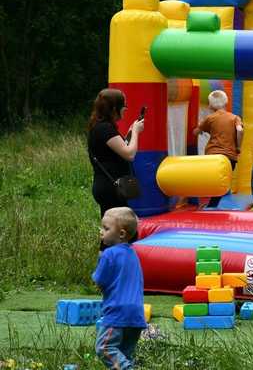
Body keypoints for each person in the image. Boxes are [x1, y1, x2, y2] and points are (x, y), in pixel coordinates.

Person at [88, 88, 144, 250]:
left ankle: (108, 266)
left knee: (113, 232)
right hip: (111, 186)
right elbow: (129, 153)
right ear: (114, 108)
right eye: (123, 108)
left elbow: (117, 150)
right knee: (120, 233)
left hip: (108, 185)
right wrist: (136, 133)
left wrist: (129, 134)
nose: (124, 111)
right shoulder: (105, 129)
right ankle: (110, 267)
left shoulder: (100, 127)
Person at [93, 207, 146, 369]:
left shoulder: (109, 254)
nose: (101, 232)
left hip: (117, 312)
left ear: (121, 234)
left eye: (106, 228)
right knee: (124, 354)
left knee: (104, 348)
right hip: (136, 314)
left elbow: (99, 280)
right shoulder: (133, 254)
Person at [193, 90, 243, 208]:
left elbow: (195, 132)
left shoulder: (210, 118)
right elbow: (240, 130)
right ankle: (211, 205)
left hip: (212, 155)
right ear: (226, 102)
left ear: (210, 105)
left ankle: (209, 205)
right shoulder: (235, 117)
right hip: (229, 156)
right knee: (222, 182)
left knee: (211, 180)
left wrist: (200, 129)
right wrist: (238, 147)